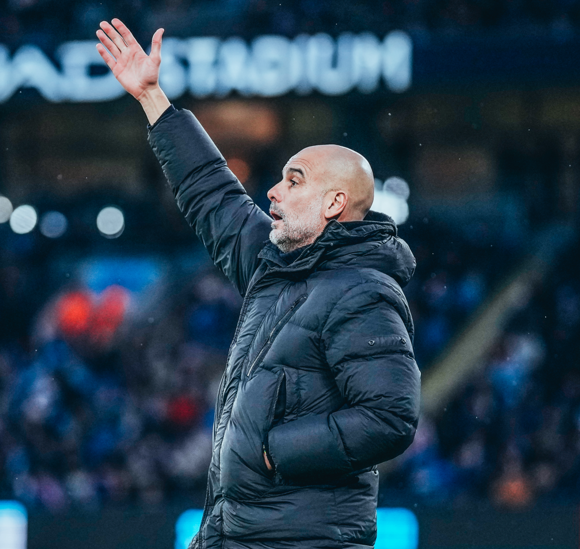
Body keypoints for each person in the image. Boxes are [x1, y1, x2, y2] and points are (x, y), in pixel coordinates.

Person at [95, 19, 421, 549]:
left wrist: (276, 452)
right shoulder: (276, 267)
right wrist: (153, 98)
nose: (272, 190)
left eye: (294, 180)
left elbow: (389, 417)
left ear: (334, 204)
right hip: (238, 534)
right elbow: (213, 195)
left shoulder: (363, 291)